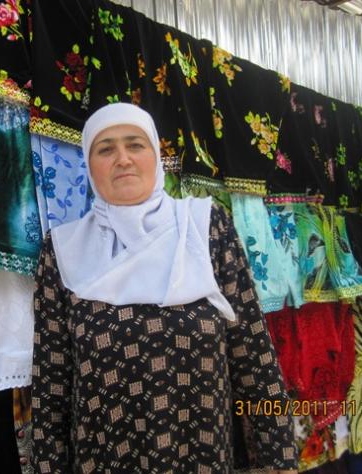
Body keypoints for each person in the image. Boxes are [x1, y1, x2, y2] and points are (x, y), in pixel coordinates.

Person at [31, 103, 299, 473]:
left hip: (203, 458)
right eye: (105, 149)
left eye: (135, 144)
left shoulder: (204, 227)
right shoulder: (63, 250)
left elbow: (252, 353)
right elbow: (51, 384)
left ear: (156, 155)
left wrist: (279, 459)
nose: (123, 159)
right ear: (89, 165)